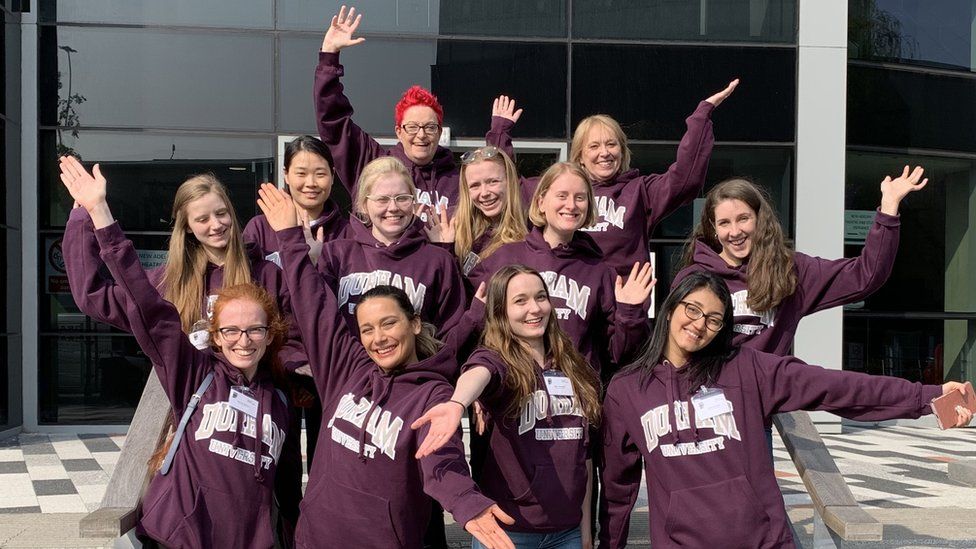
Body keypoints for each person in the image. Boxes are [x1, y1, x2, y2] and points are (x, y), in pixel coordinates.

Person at [599, 271, 974, 548]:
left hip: (763, 540)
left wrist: (927, 396)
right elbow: (618, 486)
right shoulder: (627, 390)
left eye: (713, 320)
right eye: (692, 309)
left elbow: (840, 387)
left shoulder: (747, 368)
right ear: (669, 308)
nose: (699, 325)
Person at [58, 156, 308, 546]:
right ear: (187, 228)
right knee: (194, 513)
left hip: (264, 414)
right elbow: (99, 297)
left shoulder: (267, 274)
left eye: (222, 214)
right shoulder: (170, 282)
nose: (216, 225)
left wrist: (289, 374)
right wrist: (85, 218)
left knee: (276, 505)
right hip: (195, 419)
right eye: (203, 219)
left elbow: (296, 336)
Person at [256, 183, 516, 549]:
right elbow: (313, 303)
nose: (379, 337)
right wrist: (288, 236)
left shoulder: (433, 394)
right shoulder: (345, 369)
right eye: (367, 329)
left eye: (389, 323)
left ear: (412, 323)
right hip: (316, 538)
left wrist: (465, 502)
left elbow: (442, 459)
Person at [413, 264, 604, 549]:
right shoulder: (496, 359)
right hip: (508, 533)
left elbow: (583, 457)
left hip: (568, 533)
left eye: (541, 297)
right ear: (500, 311)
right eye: (520, 301)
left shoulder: (572, 365)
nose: (535, 308)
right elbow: (479, 373)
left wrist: (586, 530)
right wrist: (457, 402)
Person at [673, 167, 928, 356]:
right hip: (702, 412)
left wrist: (888, 208)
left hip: (755, 415)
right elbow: (674, 347)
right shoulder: (695, 277)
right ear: (714, 229)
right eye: (724, 223)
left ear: (760, 219)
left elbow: (866, 275)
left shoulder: (789, 270)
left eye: (743, 219)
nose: (735, 231)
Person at [503, 80, 738, 277]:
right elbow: (509, 187)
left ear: (622, 151)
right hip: (575, 306)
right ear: (580, 156)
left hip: (624, 311)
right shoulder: (560, 191)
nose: (604, 153)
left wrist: (701, 116)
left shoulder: (640, 192)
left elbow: (685, 178)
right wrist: (500, 133)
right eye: (594, 146)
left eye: (611, 144)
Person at [315, 5, 518, 213]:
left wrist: (499, 136)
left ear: (439, 132)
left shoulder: (459, 183)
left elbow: (500, 189)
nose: (421, 135)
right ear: (399, 132)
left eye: (429, 127)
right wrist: (329, 56)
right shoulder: (373, 166)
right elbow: (335, 122)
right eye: (412, 127)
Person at [468, 162, 654, 377]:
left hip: (576, 398)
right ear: (541, 202)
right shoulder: (504, 258)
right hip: (513, 391)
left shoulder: (600, 271)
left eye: (580, 198)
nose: (571, 205)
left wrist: (630, 312)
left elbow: (620, 355)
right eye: (562, 196)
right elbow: (477, 329)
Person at [318, 156, 467, 336]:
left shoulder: (438, 260)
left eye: (402, 198)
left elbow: (449, 333)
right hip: (349, 364)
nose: (393, 207)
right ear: (364, 205)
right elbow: (321, 325)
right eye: (382, 199)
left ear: (413, 202)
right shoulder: (336, 255)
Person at [244, 134, 349, 267]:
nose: (311, 183)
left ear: (332, 176)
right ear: (286, 175)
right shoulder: (260, 228)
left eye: (320, 174)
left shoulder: (348, 233)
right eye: (301, 173)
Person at [424, 146, 527, 278]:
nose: (484, 193)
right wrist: (444, 248)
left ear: (510, 182)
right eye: (475, 185)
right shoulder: (452, 225)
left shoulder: (527, 239)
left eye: (493, 182)